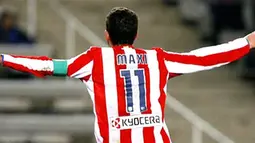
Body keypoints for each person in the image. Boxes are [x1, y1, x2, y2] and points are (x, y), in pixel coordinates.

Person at [0, 7, 255, 143]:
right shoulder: (157, 59)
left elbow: (47, 66)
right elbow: (204, 58)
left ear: (107, 36)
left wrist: (4, 58)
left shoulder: (95, 60)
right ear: (136, 36)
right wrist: (247, 42)